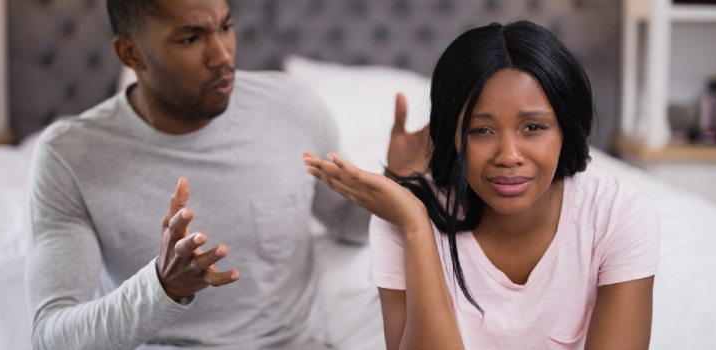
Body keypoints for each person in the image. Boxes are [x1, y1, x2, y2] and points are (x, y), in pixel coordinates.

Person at [24, 0, 424, 349]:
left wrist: (398, 183)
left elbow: (349, 224)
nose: (221, 55)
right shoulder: (70, 155)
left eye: (226, 27)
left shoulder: (291, 107)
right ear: (132, 54)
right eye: (190, 38)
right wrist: (162, 287)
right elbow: (51, 335)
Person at [304, 21, 660, 350]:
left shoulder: (617, 213)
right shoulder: (400, 214)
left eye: (533, 128)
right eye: (481, 130)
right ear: (453, 136)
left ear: (566, 127)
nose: (508, 156)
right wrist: (414, 224)